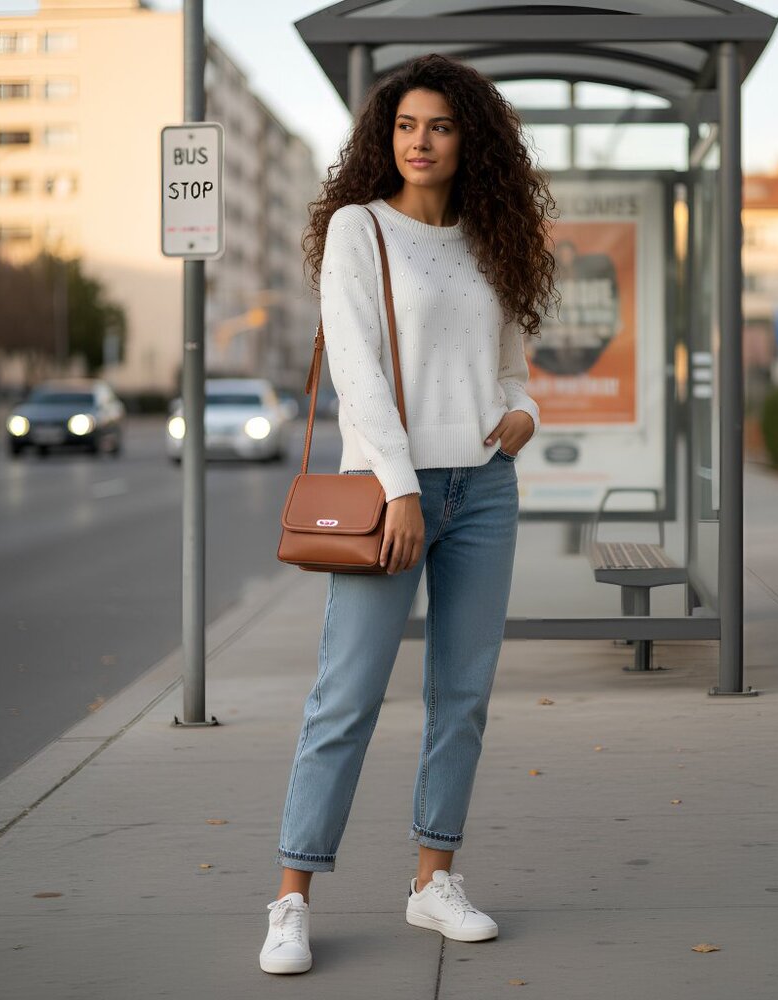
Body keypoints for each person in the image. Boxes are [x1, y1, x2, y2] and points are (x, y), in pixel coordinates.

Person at [260, 52, 557, 975]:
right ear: (385, 138)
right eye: (404, 126)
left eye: (439, 126)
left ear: (472, 138)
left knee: (460, 700)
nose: (420, 142)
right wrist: (398, 488)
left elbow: (513, 370)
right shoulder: (360, 229)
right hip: (393, 493)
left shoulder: (495, 238)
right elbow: (357, 369)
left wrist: (522, 419)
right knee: (345, 697)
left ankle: (435, 881)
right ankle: (291, 900)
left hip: (485, 488)